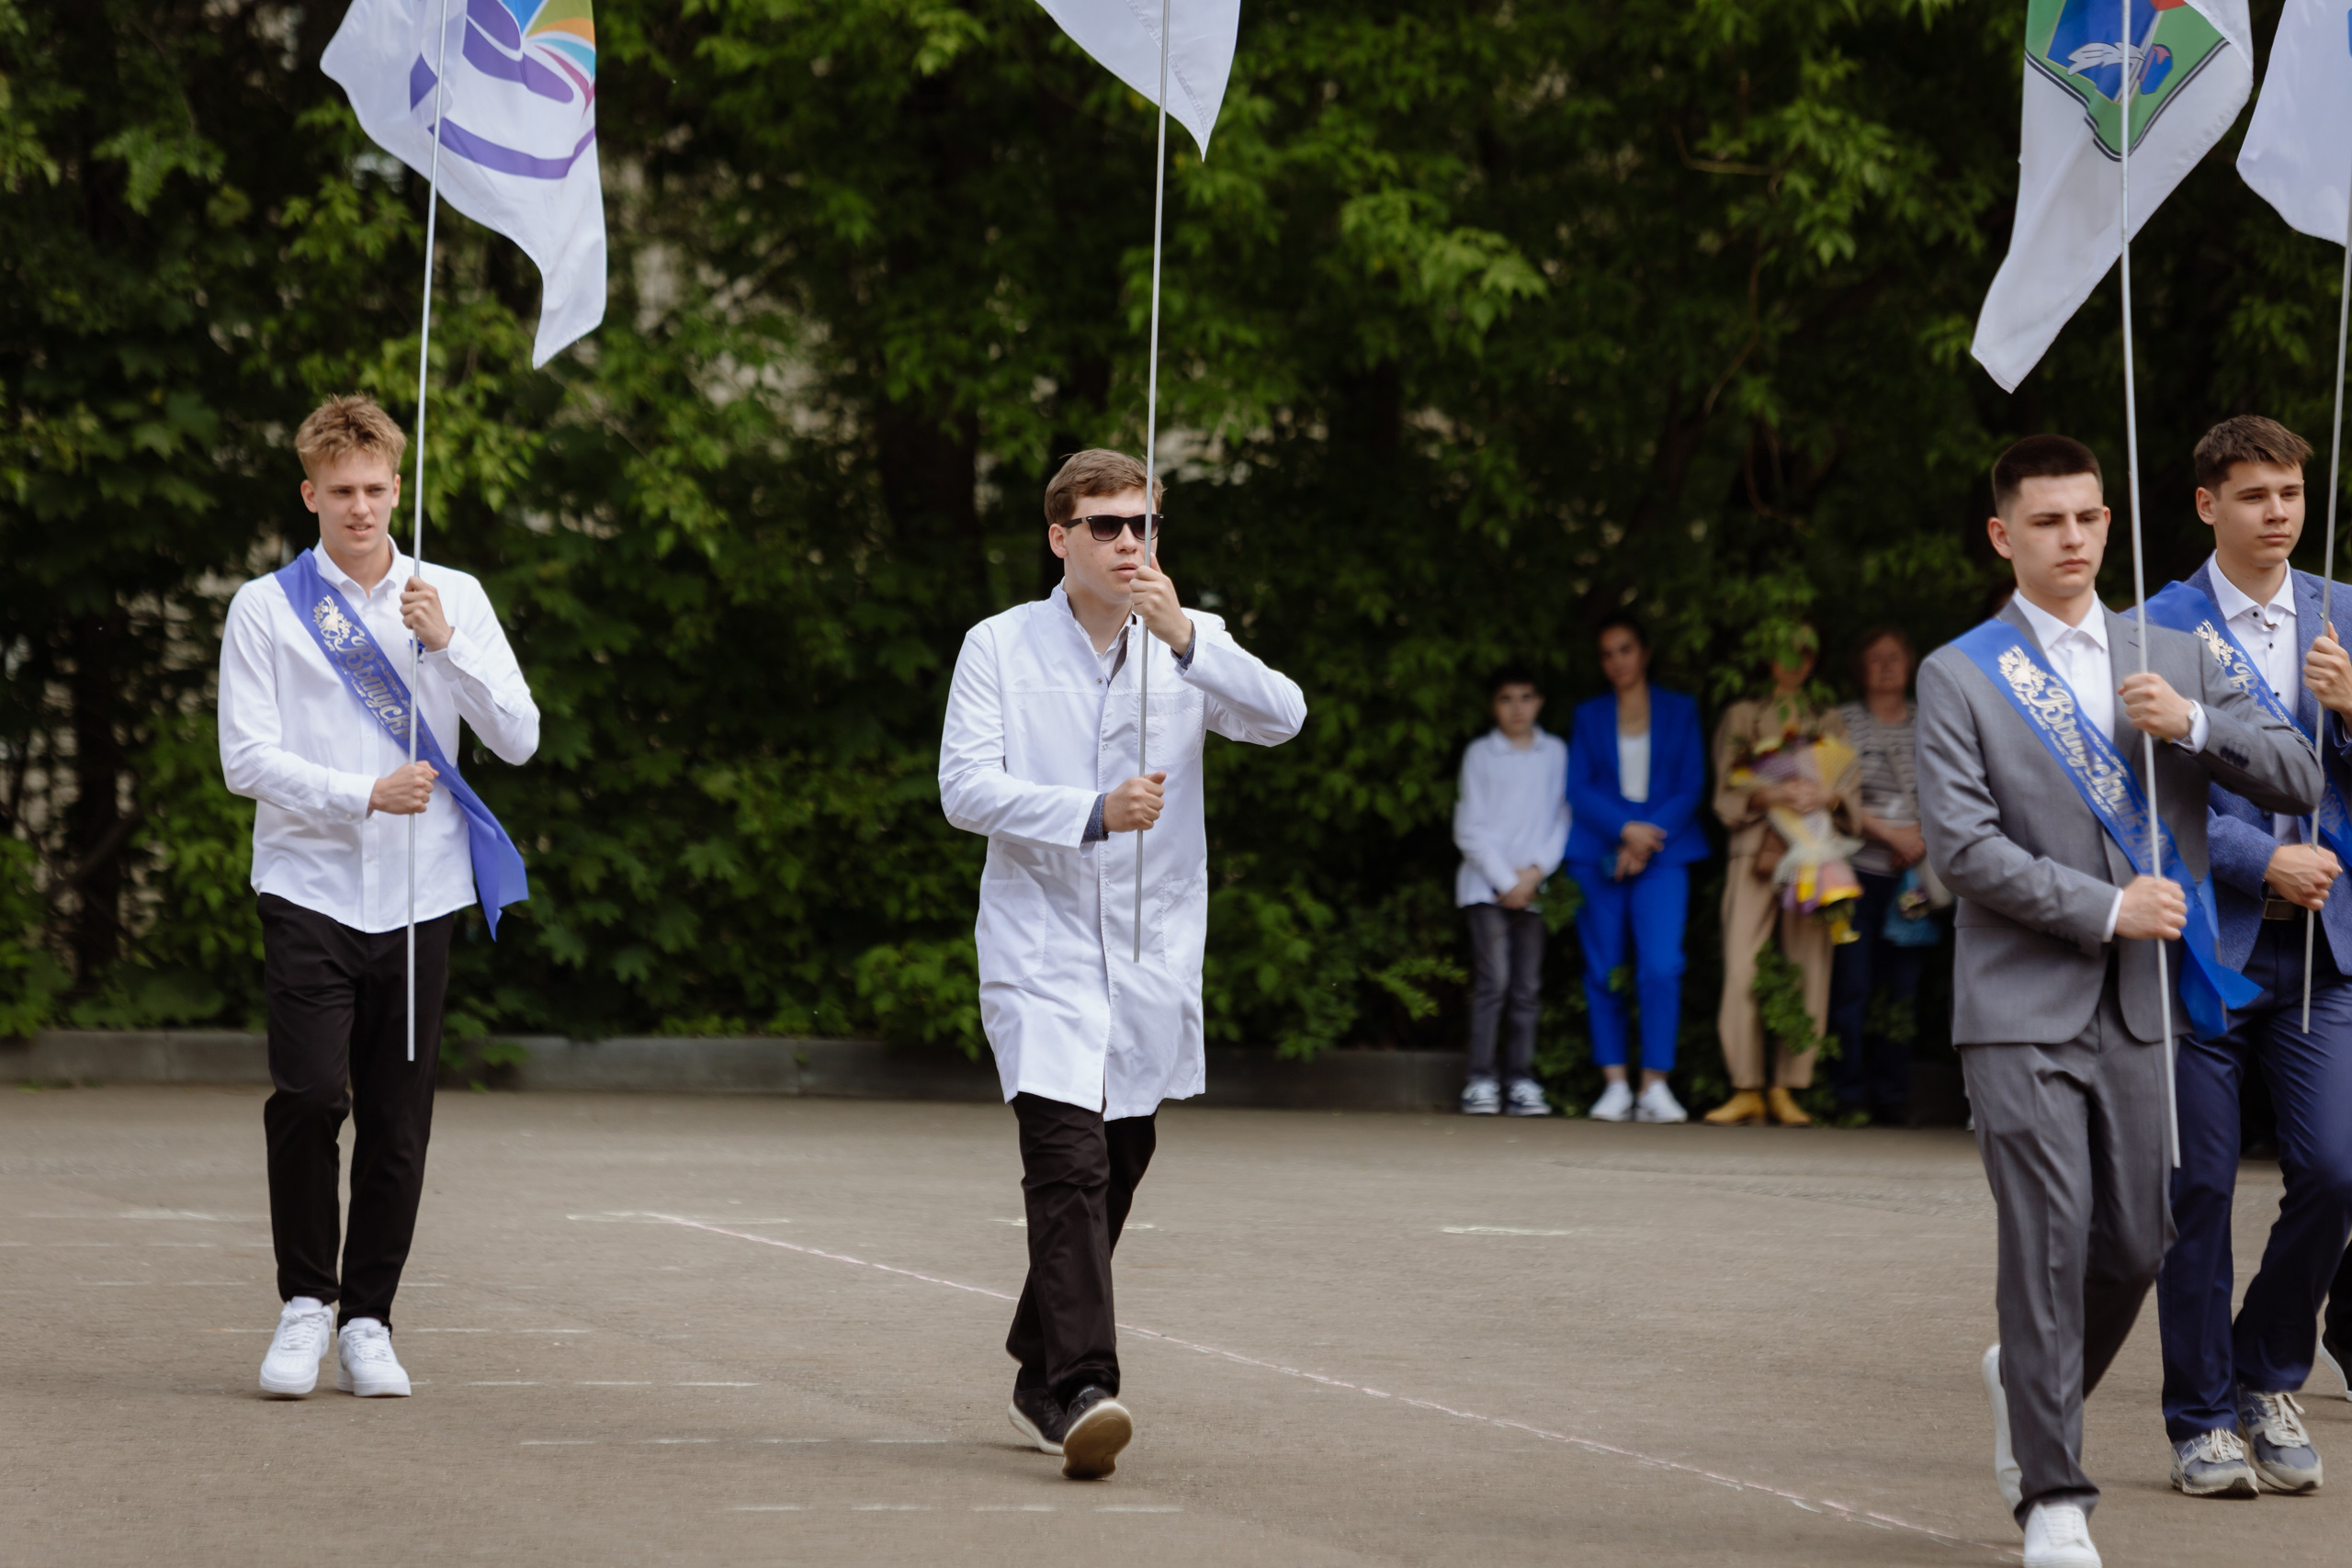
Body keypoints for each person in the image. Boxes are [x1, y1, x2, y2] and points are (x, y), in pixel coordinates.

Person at [1917, 434, 2319, 1567]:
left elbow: (2298, 770)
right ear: (2004, 535)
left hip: (2144, 1002)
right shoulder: (1961, 672)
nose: (2073, 540)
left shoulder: (2175, 652)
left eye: (2088, 518)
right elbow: (1961, 847)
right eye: (2046, 522)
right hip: (2018, 1003)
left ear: (2109, 522)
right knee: (2047, 1241)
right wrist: (2104, 906)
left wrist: (2192, 726)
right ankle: (2054, 1497)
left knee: (2139, 1241)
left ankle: (2026, 1375)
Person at [938, 449, 1306, 1481]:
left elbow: (1285, 718)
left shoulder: (1188, 644)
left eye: (1142, 523)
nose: (1128, 542)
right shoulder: (998, 646)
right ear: (1059, 538)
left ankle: (1032, 1360)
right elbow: (964, 790)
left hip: (1147, 954)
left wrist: (1185, 636)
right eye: (1104, 525)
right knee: (1068, 1164)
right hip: (1040, 947)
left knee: (1124, 1157)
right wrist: (1089, 816)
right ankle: (1082, 1388)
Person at [219, 394, 539, 1400]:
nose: (359, 508)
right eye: (340, 491)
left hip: (419, 893)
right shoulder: (265, 608)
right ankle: (305, 1303)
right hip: (309, 888)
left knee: (399, 1120)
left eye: (374, 489)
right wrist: (361, 793)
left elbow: (521, 737)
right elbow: (244, 760)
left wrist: (448, 647)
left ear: (398, 487)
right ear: (309, 493)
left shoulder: (450, 596)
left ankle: (368, 1319)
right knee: (310, 1097)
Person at [2151, 415, 2352, 1498]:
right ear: (2207, 506)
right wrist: (2252, 864)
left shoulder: (2345, 615)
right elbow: (2140, 799)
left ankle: (2268, 1371)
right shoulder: (2154, 626)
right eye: (2254, 496)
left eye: (2290, 494)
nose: (2277, 514)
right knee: (2200, 1189)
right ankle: (2198, 1418)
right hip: (2205, 949)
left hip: (2329, 951)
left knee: (2337, 1169)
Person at [1706, 624, 1859, 1127]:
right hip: (1754, 851)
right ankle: (1745, 1086)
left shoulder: (1829, 718)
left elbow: (1849, 790)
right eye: (1784, 649)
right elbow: (1725, 792)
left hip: (1814, 853)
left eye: (1805, 650)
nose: (1795, 658)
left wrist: (1826, 797)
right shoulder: (1742, 714)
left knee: (1808, 966)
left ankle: (1787, 1087)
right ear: (1767, 657)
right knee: (1742, 966)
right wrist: (1770, 795)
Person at [1565, 615, 1704, 1123]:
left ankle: (1655, 1086)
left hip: (1665, 853)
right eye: (1607, 653)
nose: (1616, 661)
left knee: (1661, 967)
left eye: (1624, 649)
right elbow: (1578, 787)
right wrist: (1626, 830)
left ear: (1644, 653)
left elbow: (1691, 786)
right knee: (1603, 969)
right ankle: (1615, 1085)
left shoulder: (1680, 709)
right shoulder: (1588, 714)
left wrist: (1644, 838)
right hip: (1599, 851)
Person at [1451, 668, 1570, 1116]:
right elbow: (1469, 827)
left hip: (1535, 885)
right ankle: (1480, 1079)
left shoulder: (1555, 752)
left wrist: (1535, 873)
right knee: (1494, 982)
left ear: (1539, 702)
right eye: (1506, 698)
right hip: (1486, 887)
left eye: (1526, 696)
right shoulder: (1481, 754)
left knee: (1526, 987)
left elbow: (1562, 818)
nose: (1517, 707)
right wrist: (1506, 880)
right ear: (1493, 706)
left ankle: (1521, 1080)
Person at [1827, 628, 1935, 1125]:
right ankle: (1848, 1093)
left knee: (1903, 988)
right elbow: (1834, 796)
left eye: (1895, 657)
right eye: (1876, 659)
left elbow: (1950, 786)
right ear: (1860, 667)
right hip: (1857, 872)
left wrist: (1918, 839)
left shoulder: (1929, 718)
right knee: (1852, 984)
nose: (1887, 666)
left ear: (1911, 663)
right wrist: (1892, 836)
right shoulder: (1843, 721)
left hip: (1914, 878)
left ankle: (1892, 1096)